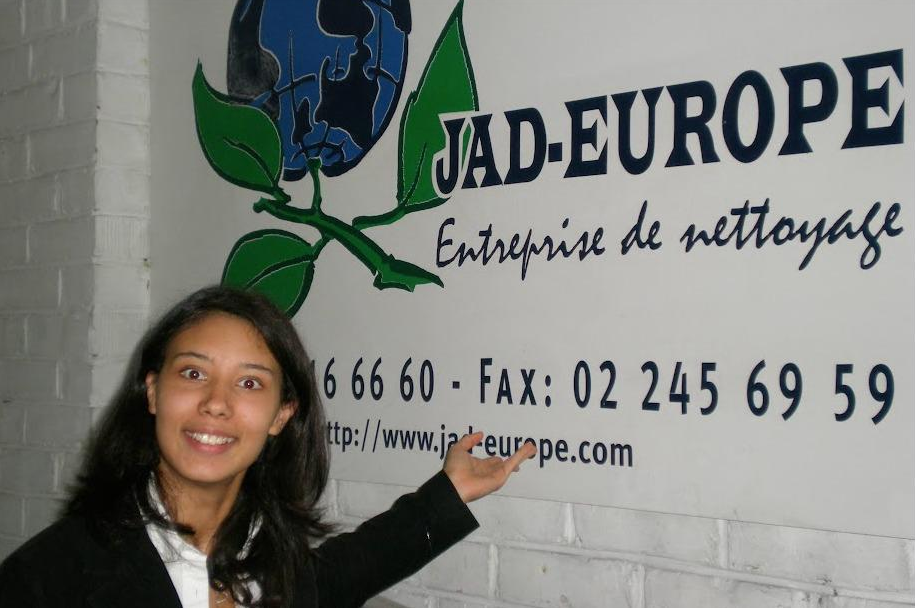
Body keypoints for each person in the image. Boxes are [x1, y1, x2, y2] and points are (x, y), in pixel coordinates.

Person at [0, 286, 535, 608]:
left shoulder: (272, 561)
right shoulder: (49, 579)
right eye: (193, 373)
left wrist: (451, 491)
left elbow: (351, 569)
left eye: (250, 383)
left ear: (282, 415)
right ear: (154, 390)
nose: (216, 403)